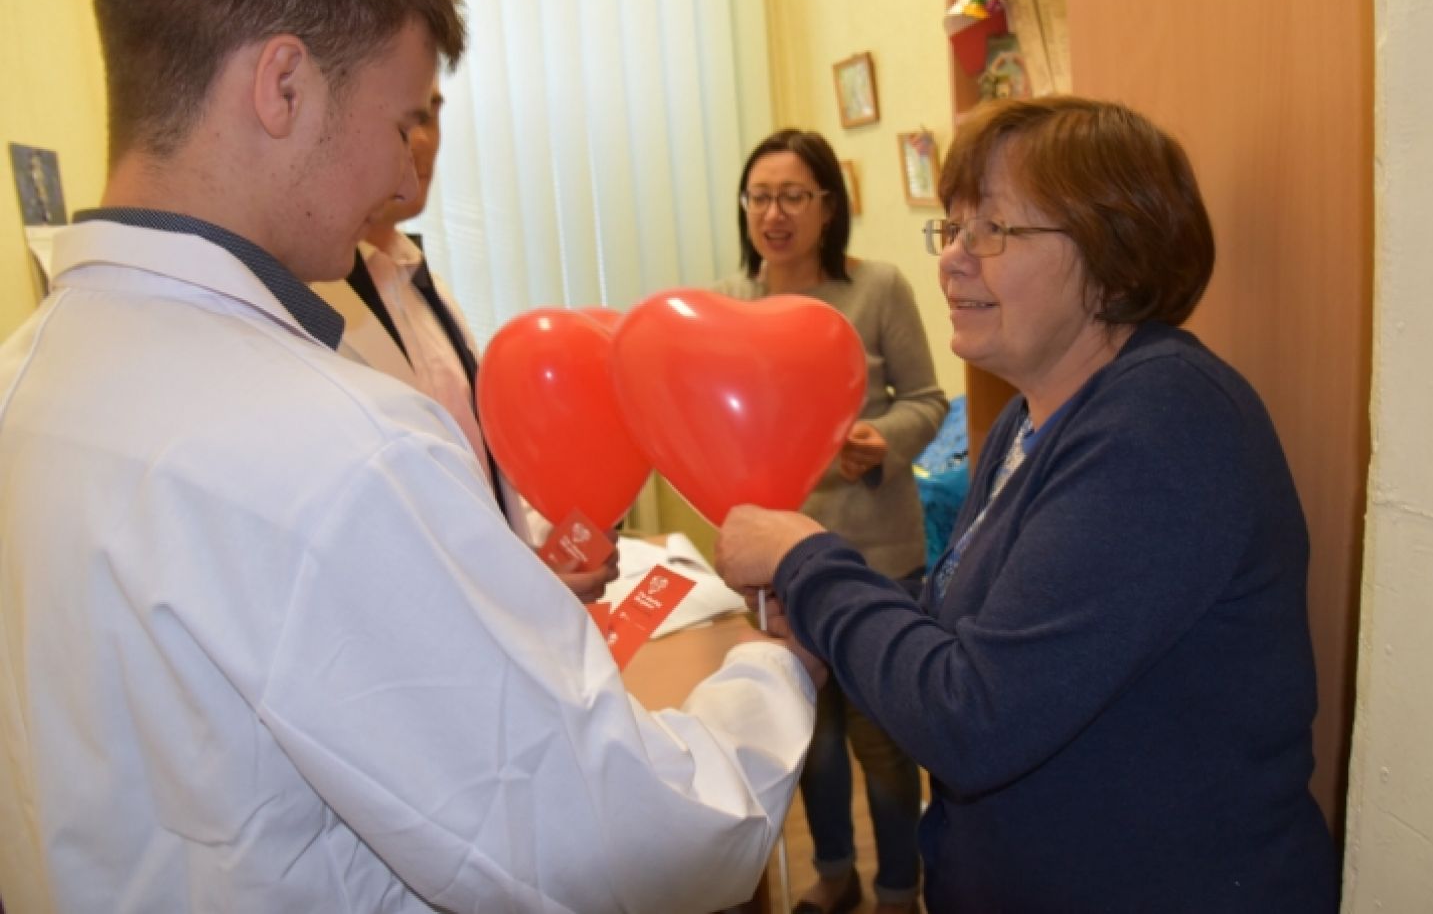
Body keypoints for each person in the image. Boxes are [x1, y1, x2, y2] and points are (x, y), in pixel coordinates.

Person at [0, 0, 820, 913]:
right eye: (398, 122)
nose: (403, 174)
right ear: (283, 86)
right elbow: (623, 843)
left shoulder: (26, 377)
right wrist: (776, 670)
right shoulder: (337, 448)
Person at [717, 97, 1341, 912]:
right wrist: (826, 625)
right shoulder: (1031, 416)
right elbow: (962, 626)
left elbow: (972, 716)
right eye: (953, 227)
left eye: (994, 229)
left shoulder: (1164, 424)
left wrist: (805, 560)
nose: (952, 260)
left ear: (1116, 258)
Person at [715, 129, 948, 914]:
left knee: (883, 743)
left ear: (827, 205)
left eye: (792, 196)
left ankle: (899, 887)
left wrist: (884, 439)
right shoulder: (727, 303)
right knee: (808, 739)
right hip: (779, 566)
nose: (773, 214)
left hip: (877, 555)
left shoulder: (877, 288)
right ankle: (835, 873)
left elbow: (927, 398)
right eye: (759, 197)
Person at [311, 74, 617, 602]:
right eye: (407, 118)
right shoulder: (305, 303)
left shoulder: (424, 287)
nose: (422, 139)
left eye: (431, 114)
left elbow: (473, 473)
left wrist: (539, 549)